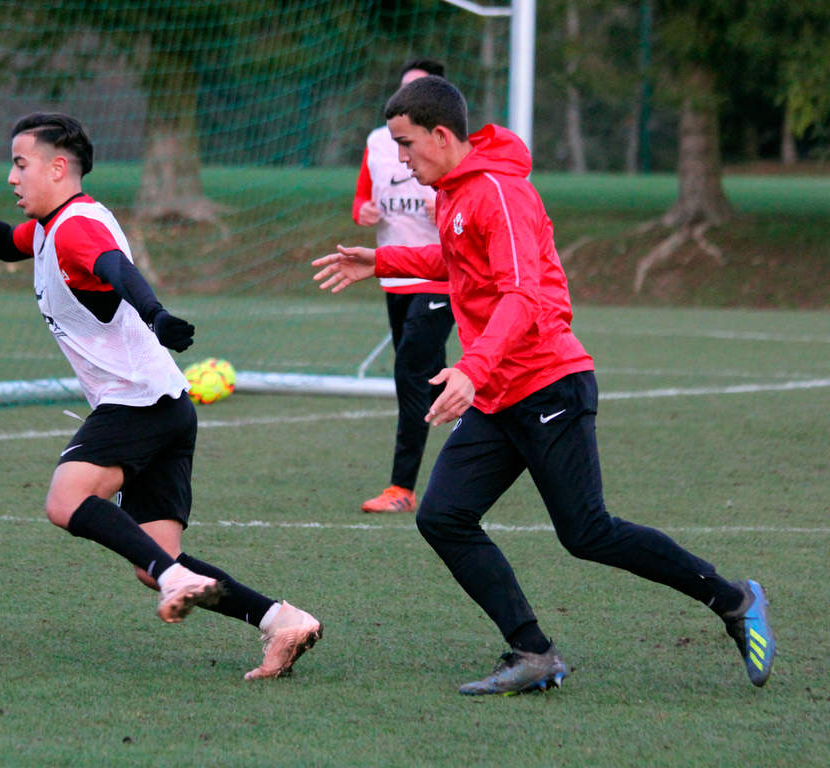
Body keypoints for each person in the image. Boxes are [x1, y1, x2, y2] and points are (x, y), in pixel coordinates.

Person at [312, 76, 774, 695]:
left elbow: (521, 294)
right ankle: (532, 652)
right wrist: (384, 259)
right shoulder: (453, 194)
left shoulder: (498, 192)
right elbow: (460, 262)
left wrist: (471, 369)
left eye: (405, 144)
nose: (398, 159)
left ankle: (734, 599)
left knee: (587, 533)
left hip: (548, 383)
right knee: (445, 515)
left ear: (441, 136)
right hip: (502, 390)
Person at [0, 112, 322, 679]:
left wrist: (156, 314)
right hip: (166, 407)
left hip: (137, 405)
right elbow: (9, 242)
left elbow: (116, 268)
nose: (11, 177)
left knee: (65, 499)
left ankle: (180, 582)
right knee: (156, 562)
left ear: (58, 167)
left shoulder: (77, 227)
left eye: (20, 164)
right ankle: (282, 619)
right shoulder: (53, 226)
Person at [352, 57, 455, 514]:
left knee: (411, 370)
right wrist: (364, 214)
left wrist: (448, 211)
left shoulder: (448, 150)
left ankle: (402, 487)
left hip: (441, 277)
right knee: (432, 377)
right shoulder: (380, 144)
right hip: (395, 273)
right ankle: (488, 428)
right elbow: (361, 200)